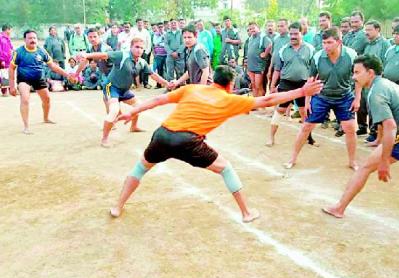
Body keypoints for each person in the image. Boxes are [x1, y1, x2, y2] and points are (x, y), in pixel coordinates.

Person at [109, 65, 323, 220]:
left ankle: (118, 207)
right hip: (188, 141)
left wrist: (133, 112)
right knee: (226, 168)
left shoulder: (192, 88)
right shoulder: (231, 99)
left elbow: (157, 100)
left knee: (140, 168)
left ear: (212, 80)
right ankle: (247, 213)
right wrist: (302, 92)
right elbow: (267, 100)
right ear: (230, 85)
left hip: (163, 134)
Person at [323, 55, 399, 218]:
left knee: (365, 168)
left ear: (370, 73)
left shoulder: (376, 92)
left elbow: (390, 127)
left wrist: (384, 161)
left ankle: (339, 208)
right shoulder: (387, 84)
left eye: (357, 72)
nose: (353, 77)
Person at [285, 27, 360, 170]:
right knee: (306, 126)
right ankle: (292, 158)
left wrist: (357, 98)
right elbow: (310, 80)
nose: (326, 46)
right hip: (322, 96)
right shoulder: (318, 56)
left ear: (339, 42)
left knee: (350, 128)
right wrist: (307, 102)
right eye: (324, 42)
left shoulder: (351, 55)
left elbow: (357, 79)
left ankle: (352, 161)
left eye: (329, 42)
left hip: (344, 96)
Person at [76, 37, 170, 147]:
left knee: (139, 106)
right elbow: (103, 55)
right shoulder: (122, 55)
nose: (139, 50)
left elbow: (153, 75)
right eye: (136, 47)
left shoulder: (142, 62)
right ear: (131, 47)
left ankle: (133, 127)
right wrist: (87, 55)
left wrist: (167, 83)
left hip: (124, 90)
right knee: (114, 111)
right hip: (111, 87)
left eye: (141, 48)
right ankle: (104, 139)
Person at [9, 30, 71, 134]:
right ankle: (26, 126)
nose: (32, 40)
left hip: (38, 79)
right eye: (30, 38)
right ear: (25, 40)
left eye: (34, 38)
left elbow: (53, 66)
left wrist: (67, 75)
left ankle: (46, 118)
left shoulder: (42, 51)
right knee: (25, 99)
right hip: (24, 79)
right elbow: (11, 68)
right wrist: (12, 86)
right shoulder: (18, 52)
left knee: (47, 99)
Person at [267, 22, 316, 147]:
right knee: (280, 110)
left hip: (303, 84)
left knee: (304, 112)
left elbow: (313, 70)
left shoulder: (310, 49)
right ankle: (271, 138)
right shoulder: (283, 50)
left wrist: (312, 85)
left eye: (296, 33)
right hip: (286, 83)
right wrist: (273, 85)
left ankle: (309, 139)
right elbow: (277, 69)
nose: (293, 36)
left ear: (301, 33)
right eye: (291, 34)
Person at [246, 22, 272, 97]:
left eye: (253, 28)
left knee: (258, 86)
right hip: (251, 65)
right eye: (250, 29)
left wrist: (265, 54)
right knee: (253, 85)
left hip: (258, 66)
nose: (252, 30)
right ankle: (255, 103)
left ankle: (261, 103)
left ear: (258, 28)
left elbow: (270, 45)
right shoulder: (251, 38)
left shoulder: (262, 37)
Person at [0, 23, 13, 96]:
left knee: (6, 75)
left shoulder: (7, 38)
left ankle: (6, 90)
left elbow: (11, 48)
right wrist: (2, 60)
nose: (11, 31)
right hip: (2, 60)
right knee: (4, 75)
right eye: (10, 29)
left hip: (8, 60)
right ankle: (4, 91)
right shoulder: (1, 38)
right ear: (7, 29)